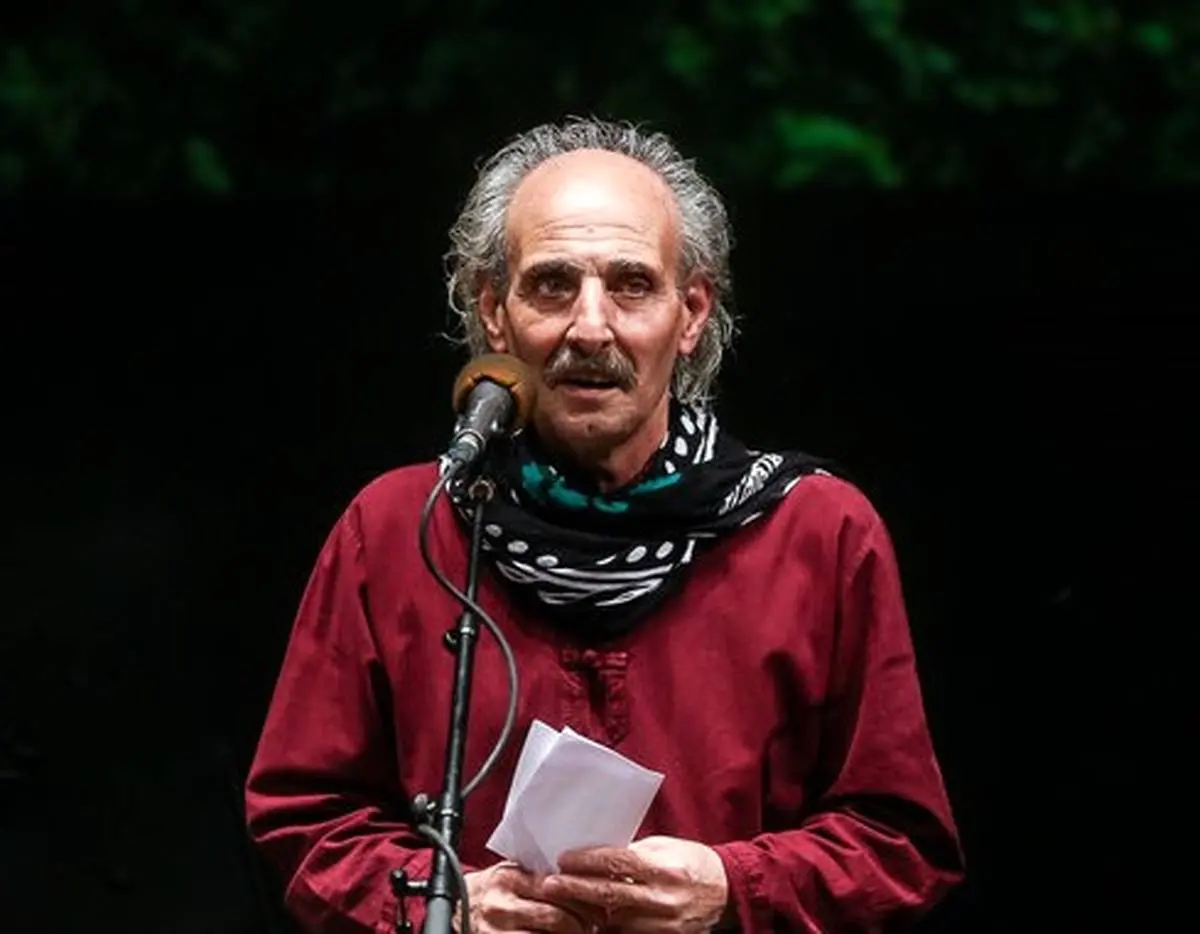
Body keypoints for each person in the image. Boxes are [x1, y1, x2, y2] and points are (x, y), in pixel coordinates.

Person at [244, 117, 964, 933]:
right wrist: (442, 905)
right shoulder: (399, 530)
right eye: (552, 285)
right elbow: (304, 818)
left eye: (632, 285)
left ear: (691, 313)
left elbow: (902, 841)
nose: (591, 328)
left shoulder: (817, 533)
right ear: (494, 312)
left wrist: (733, 889)